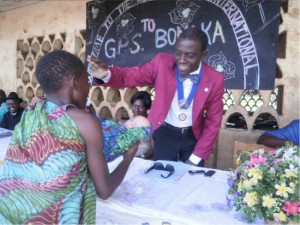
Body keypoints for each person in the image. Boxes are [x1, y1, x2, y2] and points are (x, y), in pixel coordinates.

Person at [0, 50, 139, 224]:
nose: (89, 89)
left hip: (9, 215)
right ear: (75, 82)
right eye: (87, 82)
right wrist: (129, 157)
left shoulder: (30, 112)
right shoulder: (86, 122)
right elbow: (104, 191)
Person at [87, 27, 224, 167]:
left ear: (204, 55)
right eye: (178, 53)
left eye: (190, 55)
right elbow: (131, 75)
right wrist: (106, 74)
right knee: (160, 176)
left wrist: (195, 158)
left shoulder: (215, 79)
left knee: (193, 180)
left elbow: (213, 121)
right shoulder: (162, 63)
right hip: (165, 133)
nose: (182, 60)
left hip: (193, 137)